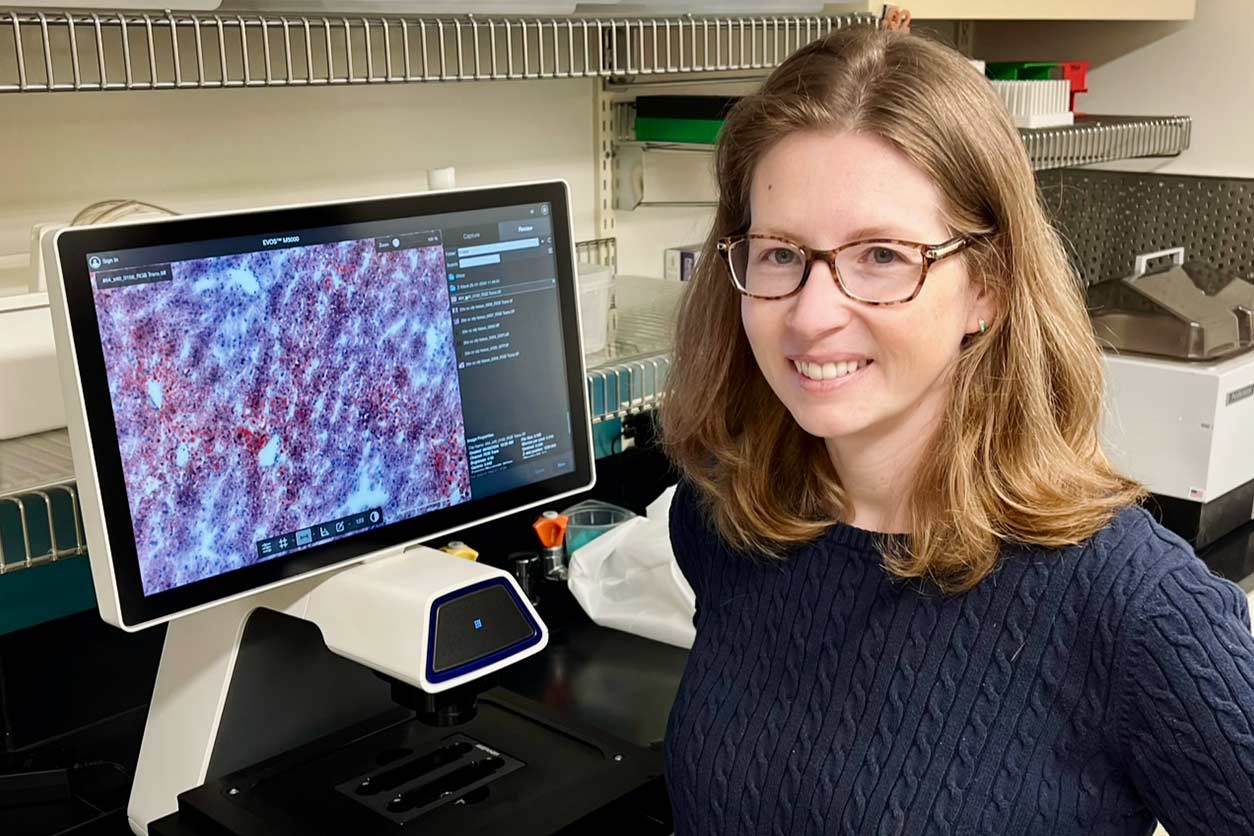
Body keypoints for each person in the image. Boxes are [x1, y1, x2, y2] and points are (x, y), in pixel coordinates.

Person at [658, 23, 1254, 836]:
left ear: (988, 287)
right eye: (780, 253)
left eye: (881, 256)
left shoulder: (1136, 610)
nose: (812, 313)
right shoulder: (724, 520)